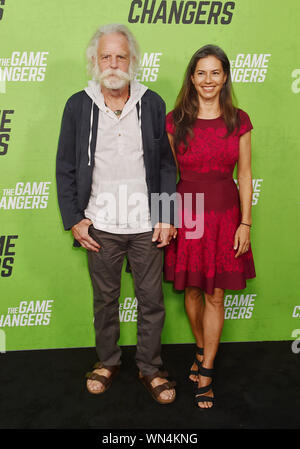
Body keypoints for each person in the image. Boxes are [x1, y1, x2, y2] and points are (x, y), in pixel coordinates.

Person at [56, 24, 177, 404]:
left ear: (132, 61)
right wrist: (75, 218)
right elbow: (65, 168)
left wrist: (167, 214)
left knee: (152, 301)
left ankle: (150, 367)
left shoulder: (153, 102)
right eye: (106, 56)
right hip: (100, 225)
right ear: (94, 61)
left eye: (120, 56)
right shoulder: (78, 104)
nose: (113, 63)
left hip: (146, 224)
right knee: (104, 302)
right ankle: (107, 362)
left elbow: (167, 165)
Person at [164, 44, 256, 409]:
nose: (208, 80)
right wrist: (167, 218)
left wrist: (245, 223)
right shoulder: (175, 121)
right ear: (191, 77)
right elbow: (164, 174)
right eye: (201, 72)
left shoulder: (239, 120)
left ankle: (206, 372)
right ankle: (201, 348)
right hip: (187, 211)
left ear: (225, 77)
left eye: (215, 72)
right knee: (191, 291)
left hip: (224, 213)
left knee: (216, 293)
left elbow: (246, 175)